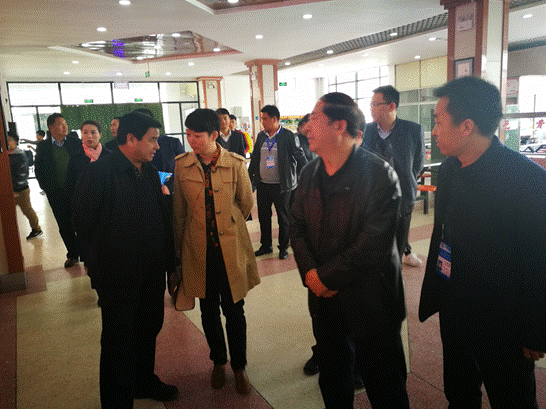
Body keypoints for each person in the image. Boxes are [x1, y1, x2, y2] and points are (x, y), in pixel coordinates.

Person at [419, 76, 546, 409]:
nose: (434, 131)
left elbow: (539, 260)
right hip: (455, 304)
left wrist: (536, 330)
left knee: (512, 398)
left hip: (502, 318)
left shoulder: (527, 180)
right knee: (459, 391)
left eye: (438, 121)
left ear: (466, 126)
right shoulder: (449, 168)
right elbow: (443, 233)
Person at [291, 92, 409, 409]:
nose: (307, 127)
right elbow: (296, 227)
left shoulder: (379, 174)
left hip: (372, 300)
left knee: (385, 384)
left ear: (339, 125)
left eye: (314, 119)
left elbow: (373, 244)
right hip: (325, 300)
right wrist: (310, 274)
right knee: (333, 379)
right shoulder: (309, 173)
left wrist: (324, 278)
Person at [71, 112, 178, 409]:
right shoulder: (99, 174)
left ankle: (143, 381)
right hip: (117, 275)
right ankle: (117, 401)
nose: (157, 146)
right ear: (131, 139)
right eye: (152, 140)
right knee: (119, 339)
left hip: (151, 272)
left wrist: (169, 264)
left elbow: (161, 217)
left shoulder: (149, 171)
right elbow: (82, 224)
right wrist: (102, 263)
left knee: (148, 327)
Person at [173, 108, 260, 395]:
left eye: (197, 136)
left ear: (213, 135)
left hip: (230, 249)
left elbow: (245, 203)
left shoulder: (235, 163)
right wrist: (178, 251)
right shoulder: (182, 165)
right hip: (199, 251)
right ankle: (219, 362)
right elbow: (179, 212)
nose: (191, 141)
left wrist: (227, 226)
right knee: (208, 311)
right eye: (188, 135)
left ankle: (240, 366)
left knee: (234, 310)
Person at [363, 85, 425, 267]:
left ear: (391, 106)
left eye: (376, 104)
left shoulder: (413, 130)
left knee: (398, 241)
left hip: (402, 194)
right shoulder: (365, 131)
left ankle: (396, 272)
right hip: (372, 197)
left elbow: (417, 164)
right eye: (371, 104)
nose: (371, 108)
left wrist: (406, 179)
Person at [248, 105, 307, 260]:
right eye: (261, 118)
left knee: (283, 218)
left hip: (283, 186)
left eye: (265, 118)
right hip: (263, 185)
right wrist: (249, 178)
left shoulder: (289, 136)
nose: (262, 121)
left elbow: (300, 158)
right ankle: (266, 245)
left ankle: (283, 247)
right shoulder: (261, 136)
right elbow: (255, 158)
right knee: (263, 217)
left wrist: (307, 178)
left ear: (274, 119)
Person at [35, 113, 83, 268]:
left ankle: (87, 253)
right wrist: (47, 188)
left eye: (65, 123)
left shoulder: (75, 142)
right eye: (61, 124)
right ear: (51, 128)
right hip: (57, 193)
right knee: (64, 224)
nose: (65, 127)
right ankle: (73, 255)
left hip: (77, 191)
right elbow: (38, 170)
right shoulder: (43, 146)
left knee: (82, 222)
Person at [65, 120, 111, 264]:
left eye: (93, 132)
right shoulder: (76, 157)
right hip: (84, 207)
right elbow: (70, 185)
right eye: (85, 133)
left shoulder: (110, 156)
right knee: (87, 240)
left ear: (100, 134)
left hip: (107, 206)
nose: (89, 136)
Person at [133, 108, 185, 194]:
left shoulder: (173, 143)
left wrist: (168, 187)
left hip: (170, 194)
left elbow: (184, 171)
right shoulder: (131, 147)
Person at [7, 131, 43, 240]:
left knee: (27, 210)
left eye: (9, 140)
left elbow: (22, 174)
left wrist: (15, 189)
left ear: (15, 142)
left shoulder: (18, 154)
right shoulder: (8, 153)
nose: (7, 142)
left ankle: (36, 229)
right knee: (8, 211)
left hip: (20, 190)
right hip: (11, 189)